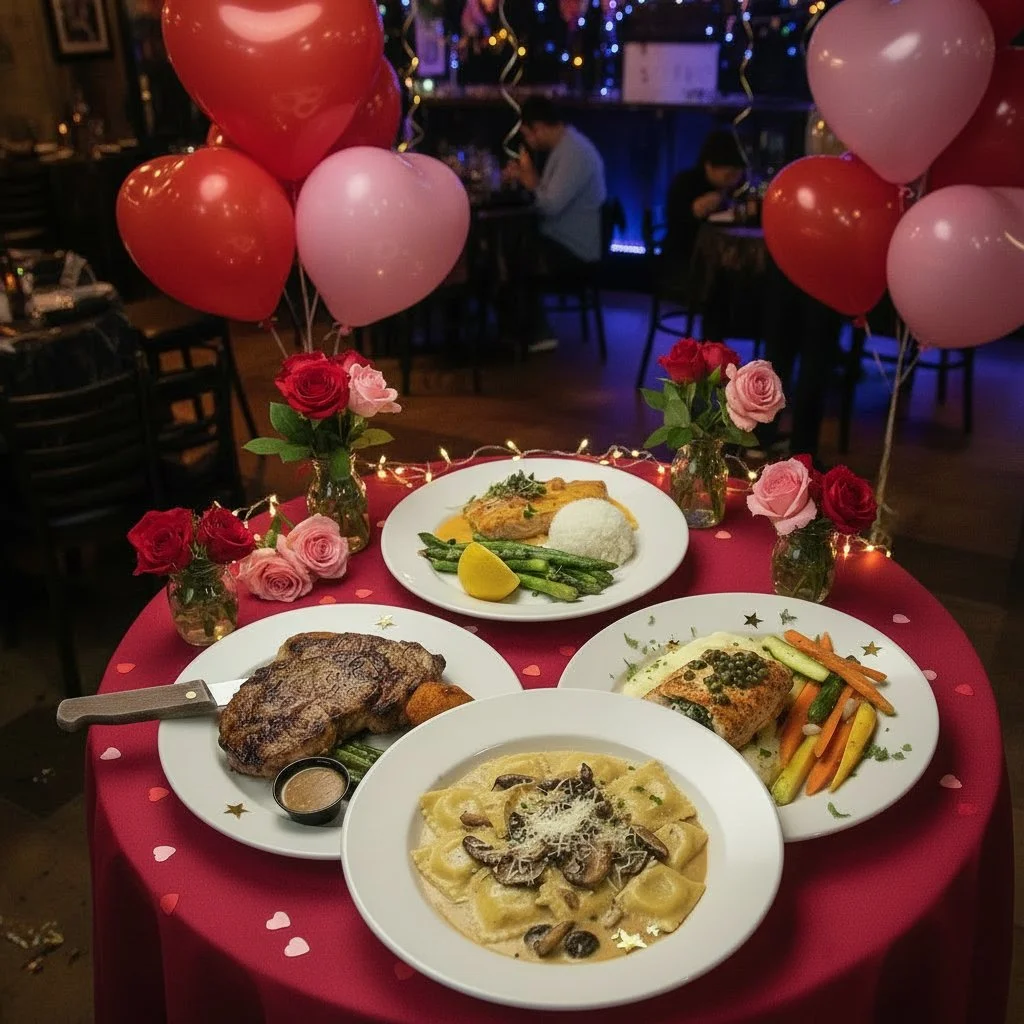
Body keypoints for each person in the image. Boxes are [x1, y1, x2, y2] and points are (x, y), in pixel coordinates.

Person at [504, 97, 606, 349]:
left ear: (538, 128)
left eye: (527, 134)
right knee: (510, 243)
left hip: (575, 249)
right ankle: (520, 328)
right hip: (564, 239)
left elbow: (549, 206)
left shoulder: (574, 153)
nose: (528, 141)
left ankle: (536, 332)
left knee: (510, 252)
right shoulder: (566, 147)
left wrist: (529, 181)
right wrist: (529, 179)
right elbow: (550, 197)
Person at [663, 130, 746, 342]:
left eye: (737, 174)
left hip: (721, 262)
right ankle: (713, 349)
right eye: (728, 174)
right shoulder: (686, 184)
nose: (734, 179)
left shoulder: (736, 191)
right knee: (720, 285)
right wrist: (695, 211)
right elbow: (677, 226)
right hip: (685, 263)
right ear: (709, 166)